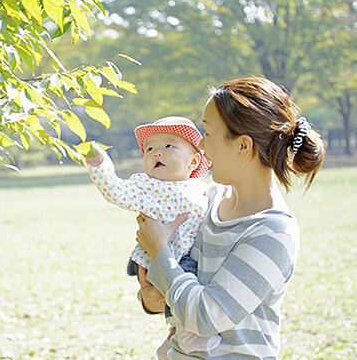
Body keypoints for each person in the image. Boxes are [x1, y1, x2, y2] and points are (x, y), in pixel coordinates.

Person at [135, 76, 325, 359]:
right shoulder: (206, 200)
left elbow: (204, 316)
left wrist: (159, 251)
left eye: (208, 133)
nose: (200, 143)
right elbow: (158, 296)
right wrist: (152, 294)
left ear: (242, 146)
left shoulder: (273, 233)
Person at [86, 116, 222, 358]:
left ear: (194, 161)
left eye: (169, 146)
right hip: (160, 259)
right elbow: (115, 190)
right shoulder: (147, 187)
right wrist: (100, 165)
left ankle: (174, 340)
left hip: (188, 254)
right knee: (183, 287)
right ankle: (185, 335)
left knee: (193, 285)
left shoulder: (204, 188)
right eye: (150, 149)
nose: (157, 153)